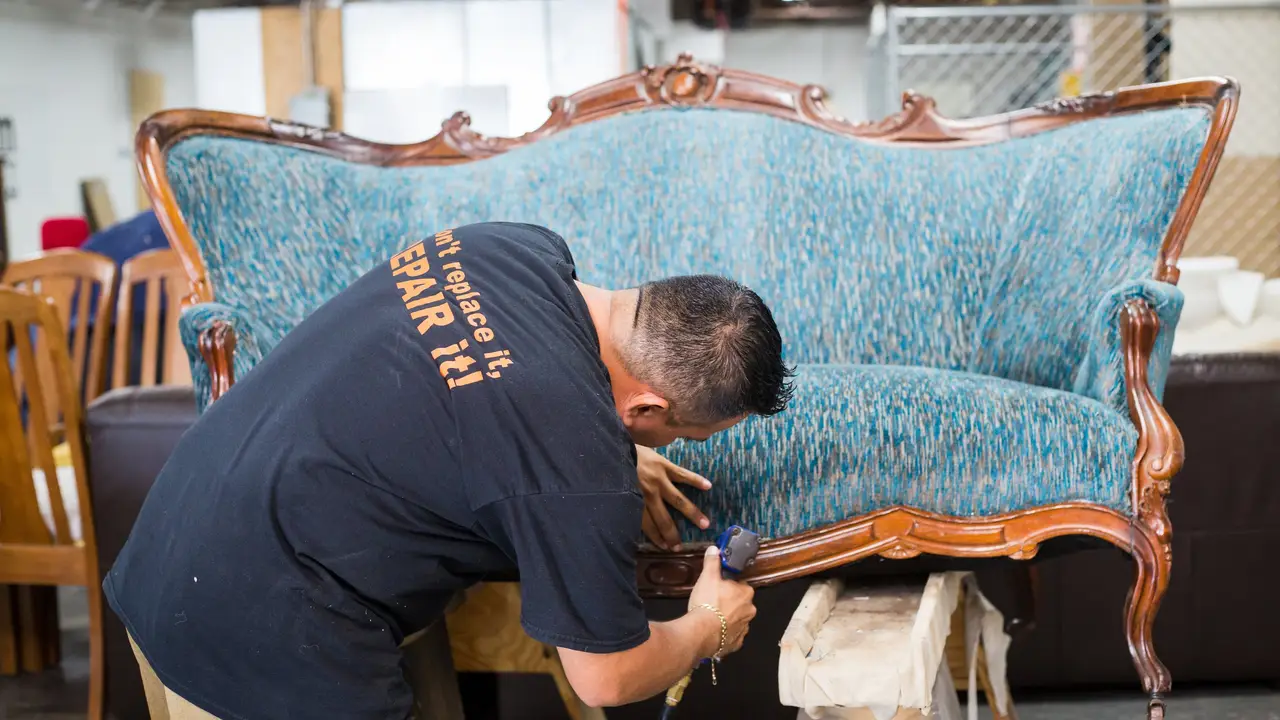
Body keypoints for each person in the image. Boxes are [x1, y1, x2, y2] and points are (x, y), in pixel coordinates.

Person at [105, 221, 794, 719]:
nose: (676, 446)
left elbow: (480, 393)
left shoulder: (513, 247)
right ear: (646, 405)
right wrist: (708, 624)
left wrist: (607, 446)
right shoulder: (577, 470)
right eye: (685, 434)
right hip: (265, 649)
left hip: (167, 551)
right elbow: (606, 678)